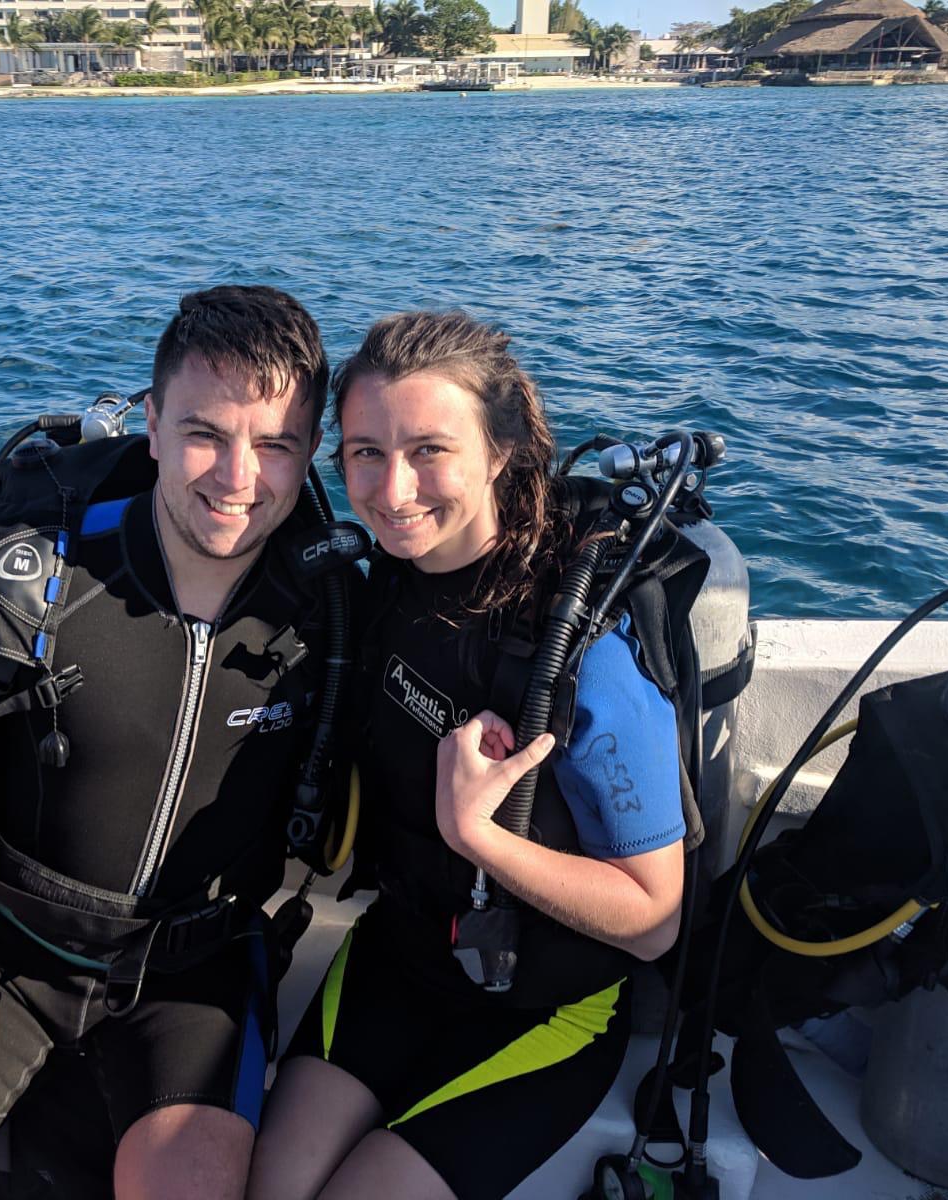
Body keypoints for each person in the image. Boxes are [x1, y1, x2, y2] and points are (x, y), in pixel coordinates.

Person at [0, 285, 342, 1200]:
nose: (237, 477)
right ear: (155, 424)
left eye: (276, 445)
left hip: (195, 971)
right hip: (4, 946)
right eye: (205, 433)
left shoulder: (329, 610)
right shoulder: (40, 577)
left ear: (310, 452)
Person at [248, 311, 687, 1200]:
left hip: (546, 1007)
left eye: (429, 450)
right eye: (365, 451)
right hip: (400, 957)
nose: (392, 488)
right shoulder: (384, 588)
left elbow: (656, 920)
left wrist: (479, 836)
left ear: (503, 452)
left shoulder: (582, 654)